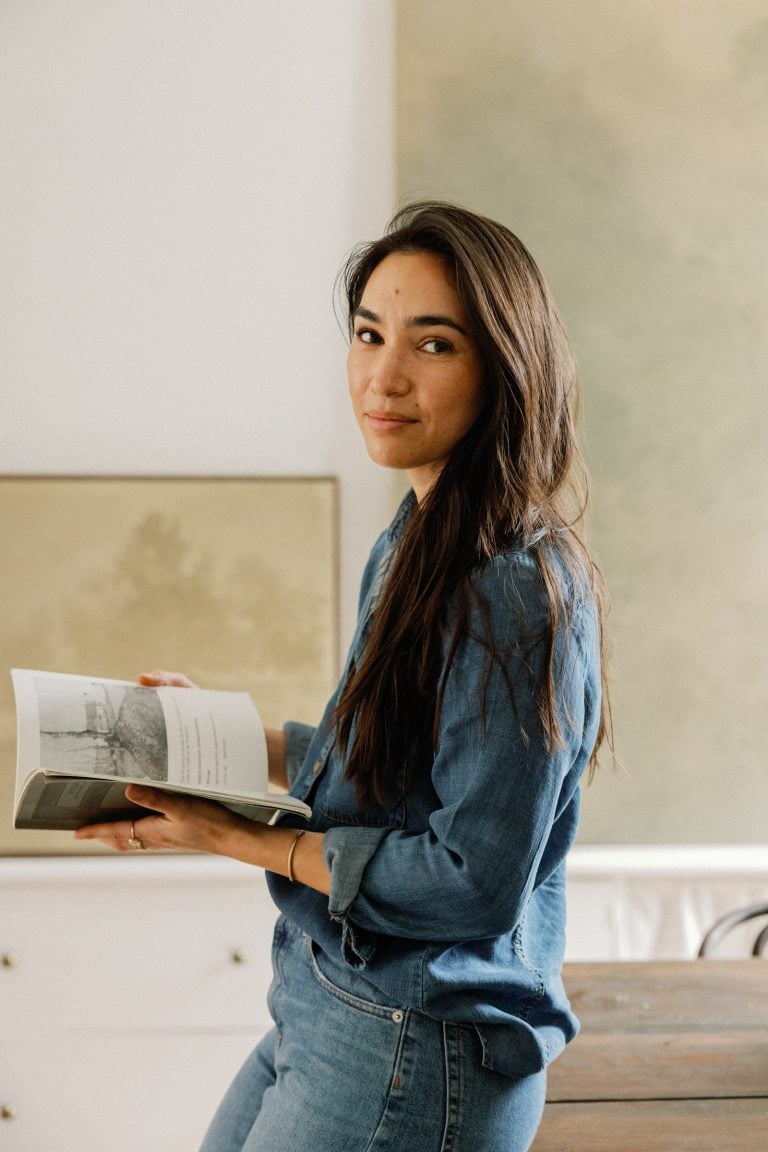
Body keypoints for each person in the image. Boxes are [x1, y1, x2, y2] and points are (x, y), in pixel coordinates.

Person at [76, 201, 610, 1152]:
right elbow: (402, 764)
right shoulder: (419, 536)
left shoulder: (514, 587)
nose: (384, 374)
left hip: (416, 1041)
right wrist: (232, 739)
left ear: (506, 365)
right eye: (369, 333)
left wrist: (237, 838)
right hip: (333, 996)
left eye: (433, 344)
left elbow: (469, 879)